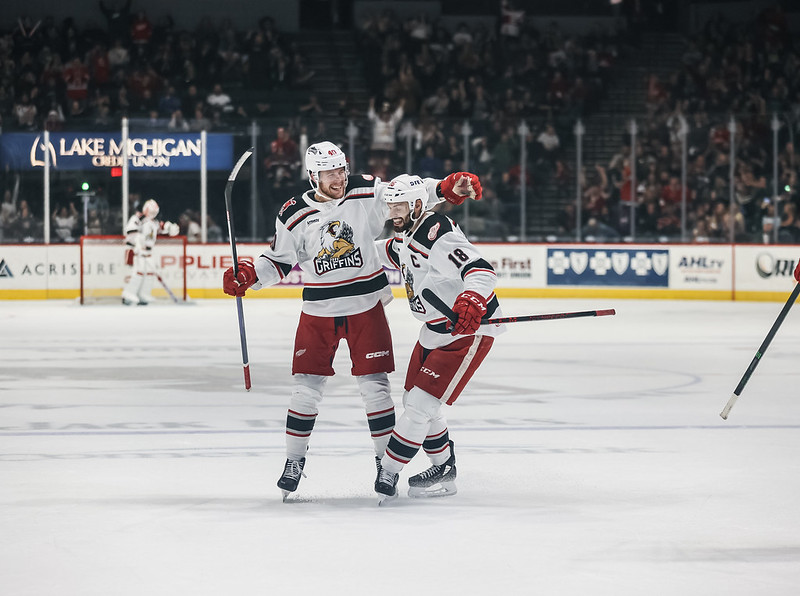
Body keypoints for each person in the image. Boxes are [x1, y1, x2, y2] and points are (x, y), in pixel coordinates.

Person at [222, 141, 479, 500]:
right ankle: (294, 462)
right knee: (305, 389)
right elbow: (279, 261)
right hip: (318, 312)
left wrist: (445, 187)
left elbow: (406, 191)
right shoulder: (293, 212)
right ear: (313, 176)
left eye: (341, 170)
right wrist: (250, 274)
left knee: (375, 388)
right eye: (330, 173)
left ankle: (383, 464)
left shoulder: (365, 189)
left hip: (366, 306)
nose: (339, 178)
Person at [372, 173, 503, 503]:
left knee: (421, 406)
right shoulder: (408, 232)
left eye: (399, 205)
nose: (392, 213)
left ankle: (388, 472)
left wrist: (472, 299)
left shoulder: (437, 231)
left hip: (467, 331)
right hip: (433, 329)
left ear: (417, 204)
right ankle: (443, 467)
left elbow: (481, 269)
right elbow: (388, 252)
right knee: (414, 402)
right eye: (390, 206)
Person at [122, 199, 179, 305]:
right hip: (136, 251)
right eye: (151, 212)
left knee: (150, 273)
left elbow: (161, 227)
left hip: (148, 252)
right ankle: (128, 293)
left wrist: (169, 227)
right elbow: (130, 231)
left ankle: (144, 294)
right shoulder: (138, 218)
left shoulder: (153, 222)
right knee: (138, 272)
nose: (153, 214)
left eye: (155, 213)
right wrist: (137, 244)